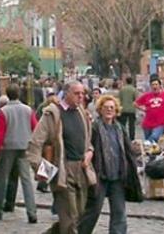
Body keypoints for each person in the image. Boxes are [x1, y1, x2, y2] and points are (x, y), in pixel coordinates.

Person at [27, 80, 96, 234]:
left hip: (82, 170)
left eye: (83, 93)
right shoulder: (53, 113)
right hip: (63, 171)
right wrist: (43, 172)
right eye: (77, 93)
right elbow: (34, 145)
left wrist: (89, 153)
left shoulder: (82, 113)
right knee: (70, 219)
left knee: (77, 215)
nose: (81, 97)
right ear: (66, 93)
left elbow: (88, 142)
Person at [77, 94, 140, 234]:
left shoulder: (120, 128)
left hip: (117, 176)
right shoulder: (94, 128)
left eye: (112, 107)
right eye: (106, 107)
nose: (109, 110)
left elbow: (127, 150)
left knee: (119, 213)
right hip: (100, 176)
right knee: (93, 211)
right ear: (100, 109)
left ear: (116, 110)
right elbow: (88, 147)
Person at [0, 85, 38, 224]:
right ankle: (32, 212)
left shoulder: (3, 111)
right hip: (24, 147)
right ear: (19, 94)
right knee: (26, 180)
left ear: (7, 95)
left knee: (3, 179)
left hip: (8, 147)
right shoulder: (28, 110)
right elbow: (35, 127)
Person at [134, 76, 164, 142]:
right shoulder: (147, 95)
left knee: (154, 137)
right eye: (152, 85)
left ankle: (146, 144)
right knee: (152, 146)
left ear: (160, 86)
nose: (154, 86)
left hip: (160, 124)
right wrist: (143, 109)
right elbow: (135, 103)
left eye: (156, 84)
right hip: (147, 124)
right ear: (150, 86)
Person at [117, 76, 138, 140]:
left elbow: (119, 99)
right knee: (132, 125)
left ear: (126, 81)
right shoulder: (134, 89)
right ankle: (132, 137)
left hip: (123, 109)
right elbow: (136, 100)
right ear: (132, 81)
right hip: (132, 109)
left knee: (123, 124)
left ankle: (123, 137)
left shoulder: (122, 89)